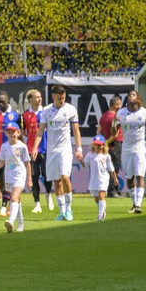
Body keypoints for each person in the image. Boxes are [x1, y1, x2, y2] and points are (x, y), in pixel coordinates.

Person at [39, 85, 83, 221]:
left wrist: (79, 148)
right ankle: (62, 211)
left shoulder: (70, 109)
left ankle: (69, 210)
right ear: (53, 97)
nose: (62, 100)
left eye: (63, 97)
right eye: (59, 98)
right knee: (56, 181)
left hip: (65, 149)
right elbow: (40, 131)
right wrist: (35, 148)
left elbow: (76, 131)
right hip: (52, 150)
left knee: (65, 177)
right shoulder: (46, 111)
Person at [116, 90, 146, 214]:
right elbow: (113, 132)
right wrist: (114, 123)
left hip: (140, 148)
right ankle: (134, 203)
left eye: (133, 94)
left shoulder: (145, 113)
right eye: (129, 95)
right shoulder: (121, 113)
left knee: (140, 175)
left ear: (138, 98)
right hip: (126, 149)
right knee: (130, 179)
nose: (130, 96)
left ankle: (138, 204)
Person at [0, 121, 31, 233]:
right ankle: (21, 222)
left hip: (20, 175)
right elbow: (1, 162)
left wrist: (29, 178)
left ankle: (11, 221)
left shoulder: (22, 146)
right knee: (17, 199)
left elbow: (27, 163)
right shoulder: (4, 146)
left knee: (14, 198)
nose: (11, 134)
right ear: (6, 133)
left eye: (13, 132)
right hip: (9, 176)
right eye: (9, 132)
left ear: (18, 133)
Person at [23, 88, 51, 212]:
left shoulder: (46, 112)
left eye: (40, 97)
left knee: (47, 175)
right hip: (30, 149)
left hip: (45, 148)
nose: (39, 99)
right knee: (34, 176)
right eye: (36, 97)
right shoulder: (24, 115)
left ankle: (49, 194)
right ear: (30, 99)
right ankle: (37, 204)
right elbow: (23, 133)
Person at [86, 137, 114, 221]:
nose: (97, 146)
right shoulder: (90, 155)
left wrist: (115, 179)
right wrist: (80, 159)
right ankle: (101, 210)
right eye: (96, 144)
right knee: (96, 197)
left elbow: (111, 169)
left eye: (99, 144)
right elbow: (85, 164)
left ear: (103, 145)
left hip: (104, 178)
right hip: (94, 179)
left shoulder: (106, 156)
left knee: (101, 194)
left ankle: (100, 214)